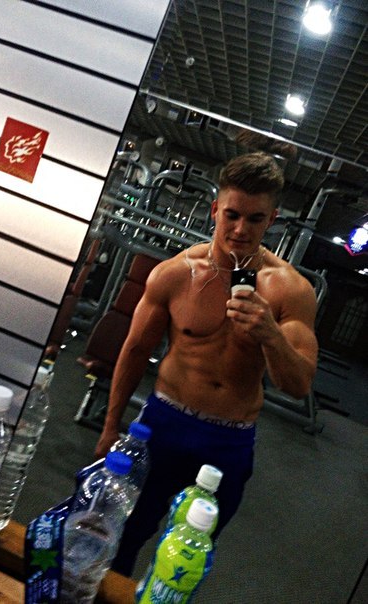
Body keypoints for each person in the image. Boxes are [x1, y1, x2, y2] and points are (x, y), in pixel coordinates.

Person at [94, 151, 319, 577]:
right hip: (163, 422)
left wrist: (270, 334)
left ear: (271, 220)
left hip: (228, 440)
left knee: (187, 557)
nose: (240, 229)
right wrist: (110, 426)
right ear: (215, 209)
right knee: (120, 533)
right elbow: (135, 350)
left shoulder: (291, 291)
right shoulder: (176, 273)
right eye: (232, 215)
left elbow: (298, 385)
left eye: (255, 219)